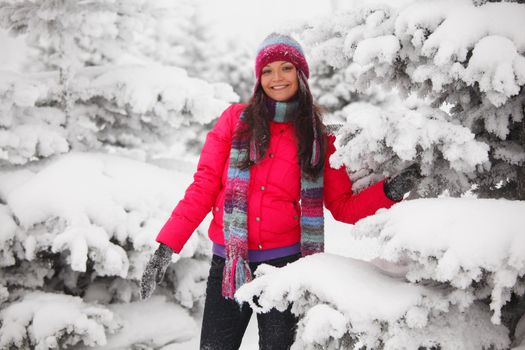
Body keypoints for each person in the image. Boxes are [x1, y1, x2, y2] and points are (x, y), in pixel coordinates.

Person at [140, 33, 421, 350]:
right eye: (267, 70)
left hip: (286, 268)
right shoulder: (234, 121)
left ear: (300, 74)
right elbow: (203, 187)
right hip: (230, 265)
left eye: (286, 68)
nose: (277, 78)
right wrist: (167, 245)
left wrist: (391, 191)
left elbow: (342, 206)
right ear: (259, 78)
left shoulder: (317, 136)